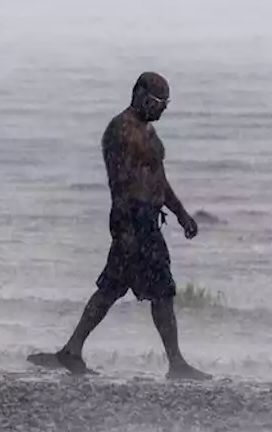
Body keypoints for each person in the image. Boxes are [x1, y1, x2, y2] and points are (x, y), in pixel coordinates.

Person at [51, 71, 212, 379]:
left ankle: (72, 350)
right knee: (158, 290)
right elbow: (119, 185)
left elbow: (159, 181)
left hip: (148, 218)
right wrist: (124, 231)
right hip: (132, 219)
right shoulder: (120, 130)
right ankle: (176, 364)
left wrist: (181, 214)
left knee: (113, 288)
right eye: (156, 102)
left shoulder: (148, 131)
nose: (162, 108)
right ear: (139, 95)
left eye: (166, 103)